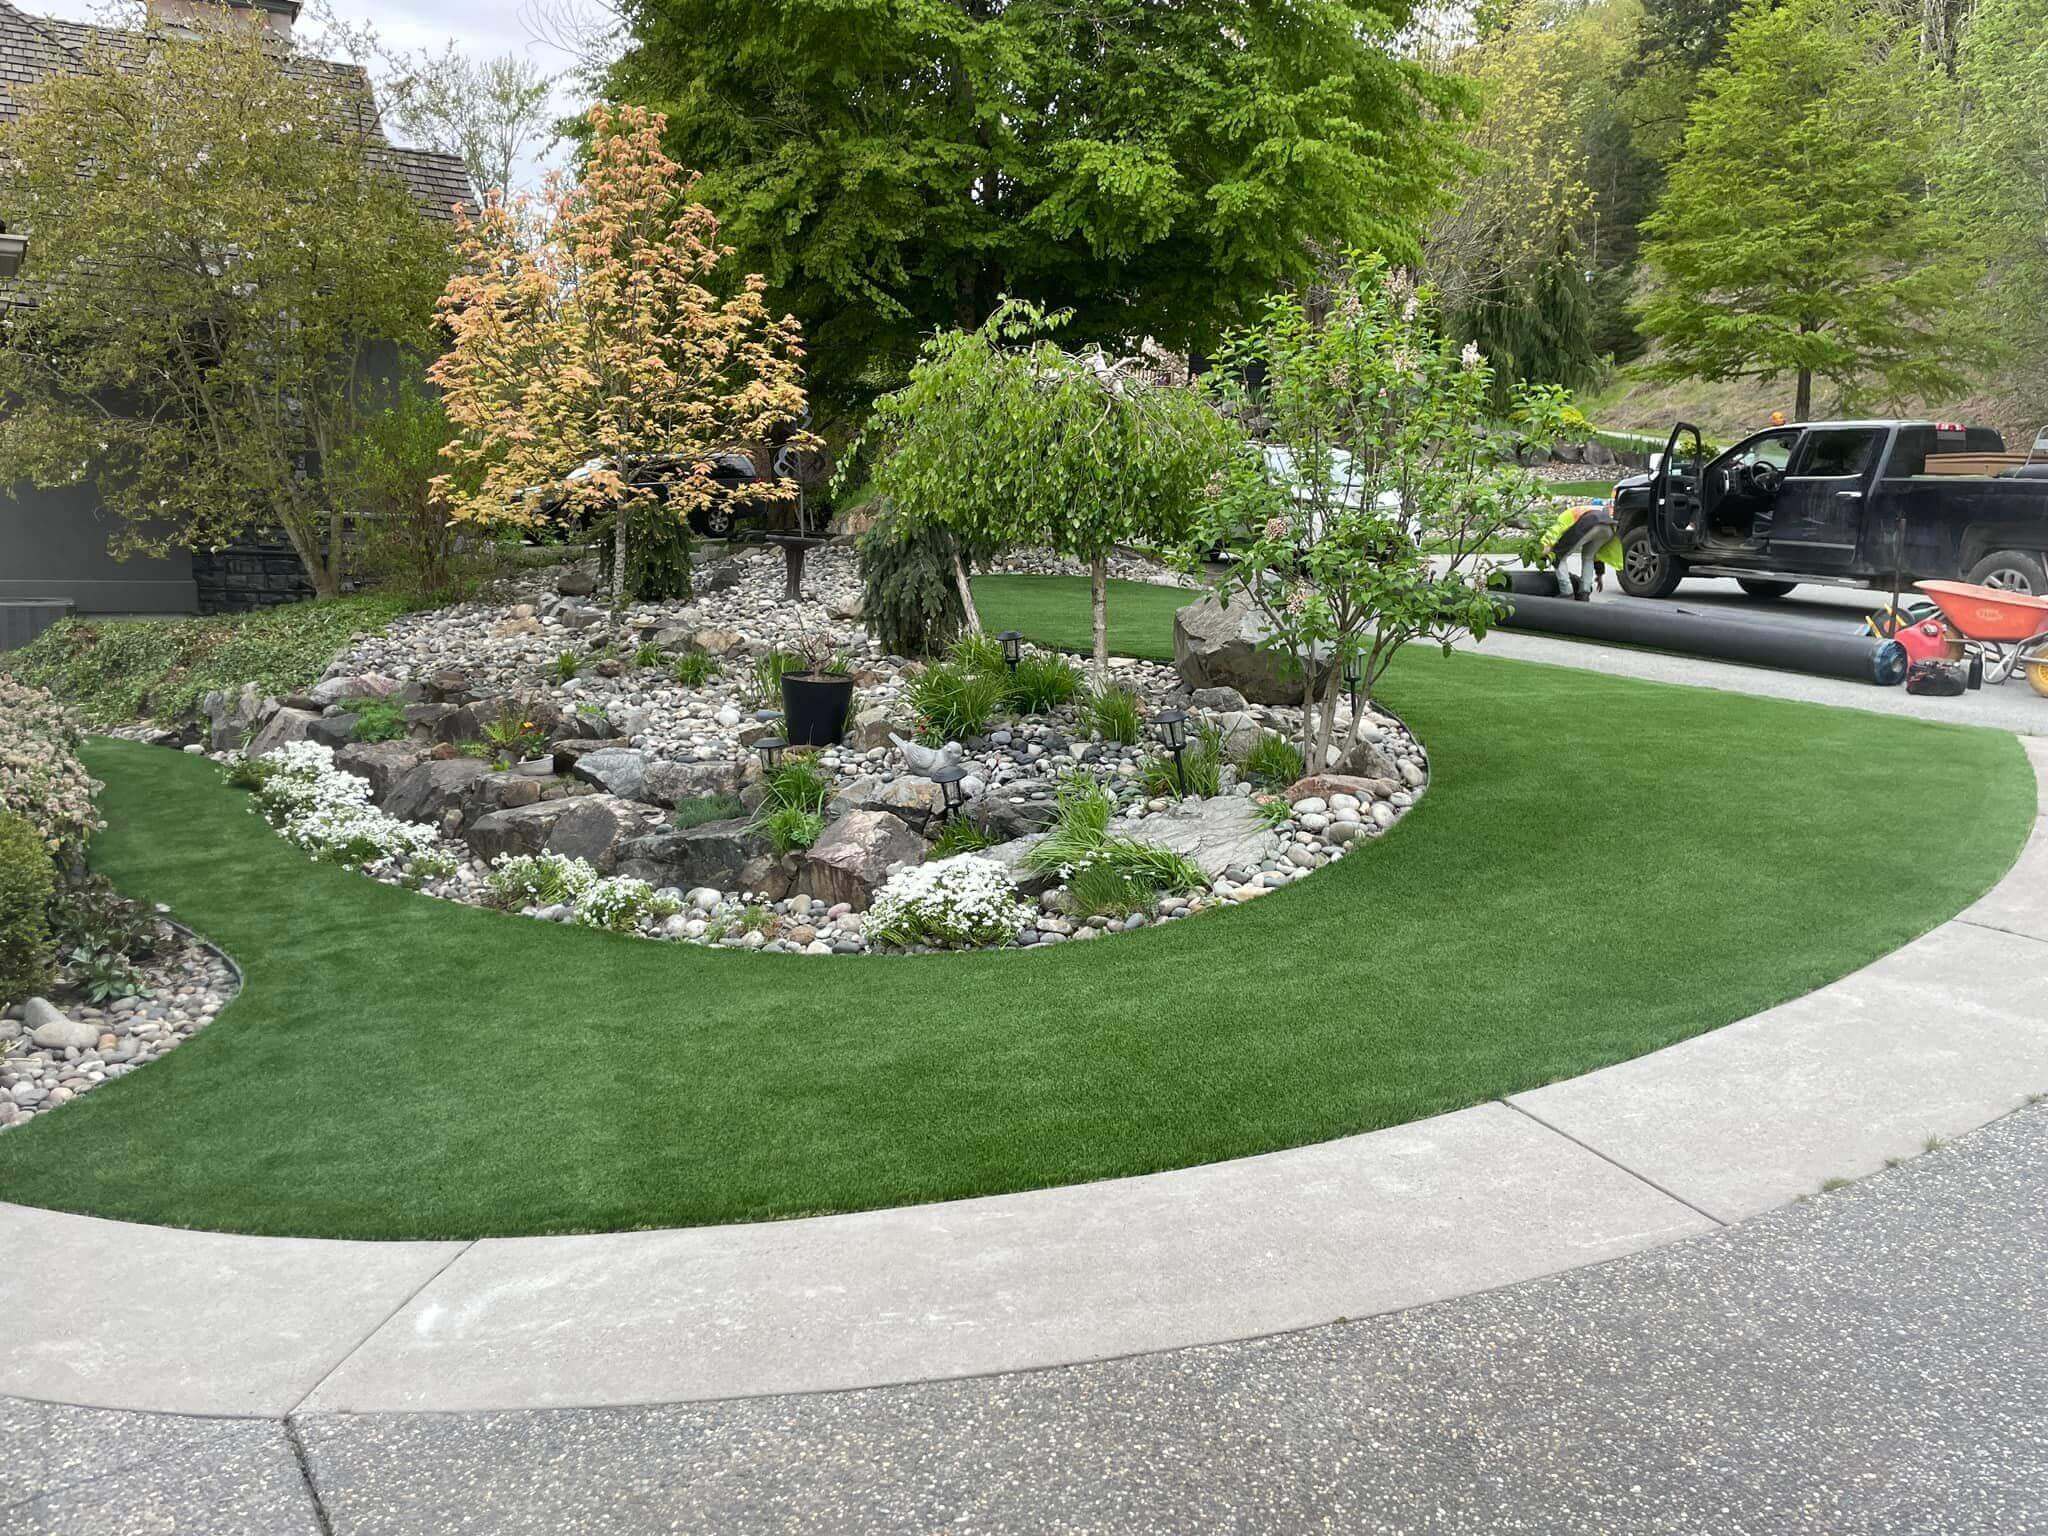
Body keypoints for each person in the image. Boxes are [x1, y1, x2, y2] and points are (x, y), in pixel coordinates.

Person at [1540, 501, 1622, 601]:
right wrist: (1599, 573)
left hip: (1590, 523)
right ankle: (1584, 593)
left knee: (1558, 554)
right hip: (1609, 528)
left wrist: (1545, 545)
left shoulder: (1566, 515)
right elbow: (1597, 554)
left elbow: (1556, 530)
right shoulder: (1587, 509)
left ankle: (1566, 593)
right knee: (1589, 557)